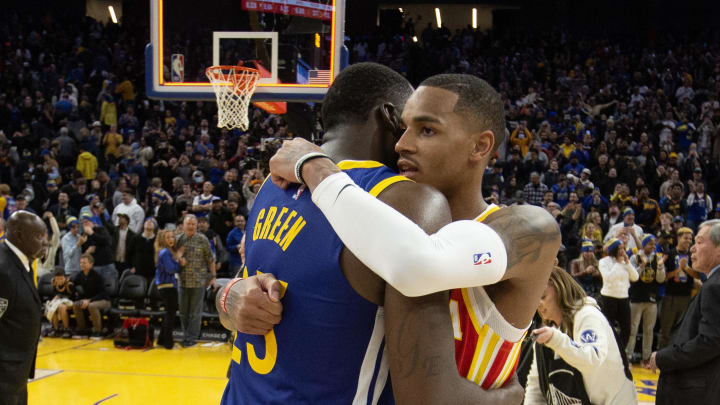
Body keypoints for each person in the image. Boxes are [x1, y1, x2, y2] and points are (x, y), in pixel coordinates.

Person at [218, 65, 527, 403]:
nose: (406, 142)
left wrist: (225, 293)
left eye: (425, 129)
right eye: (408, 125)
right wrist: (506, 399)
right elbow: (427, 396)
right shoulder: (406, 199)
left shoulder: (273, 183)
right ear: (390, 117)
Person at [524, 267, 637, 404]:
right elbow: (536, 385)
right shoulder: (548, 333)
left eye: (542, 296)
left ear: (560, 289)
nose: (539, 304)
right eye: (536, 299)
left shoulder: (587, 315)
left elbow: (592, 359)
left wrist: (555, 339)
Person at [648, 220, 720, 404]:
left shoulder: (714, 287)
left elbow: (709, 341)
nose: (693, 248)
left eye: (699, 241)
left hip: (695, 392)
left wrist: (662, 357)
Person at [0, 211, 49, 405]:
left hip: (15, 370)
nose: (44, 242)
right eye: (38, 236)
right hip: (4, 373)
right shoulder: (3, 270)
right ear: (19, 235)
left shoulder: (22, 261)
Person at [176, 214, 216, 348]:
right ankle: (185, 335)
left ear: (196, 226)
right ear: (184, 225)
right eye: (189, 224)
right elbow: (172, 258)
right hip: (182, 281)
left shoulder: (203, 239)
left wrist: (213, 276)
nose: (191, 226)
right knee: (183, 312)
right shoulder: (178, 239)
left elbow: (210, 259)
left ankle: (191, 338)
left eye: (193, 224)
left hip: (199, 282)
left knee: (195, 313)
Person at [626, 234, 665, 366]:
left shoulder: (658, 258)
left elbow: (660, 279)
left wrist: (659, 268)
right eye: (650, 244)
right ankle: (628, 357)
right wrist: (642, 266)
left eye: (654, 244)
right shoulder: (634, 257)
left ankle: (646, 358)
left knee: (649, 330)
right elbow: (632, 277)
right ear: (644, 244)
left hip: (652, 298)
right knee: (633, 329)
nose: (653, 246)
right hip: (636, 297)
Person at [659, 227, 698, 348]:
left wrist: (686, 268)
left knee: (681, 330)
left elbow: (697, 275)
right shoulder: (670, 254)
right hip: (670, 296)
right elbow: (664, 278)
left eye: (690, 238)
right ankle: (661, 356)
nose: (688, 241)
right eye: (685, 238)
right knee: (666, 329)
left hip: (686, 297)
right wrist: (679, 270)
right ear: (678, 238)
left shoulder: (693, 256)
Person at [598, 238, 639, 349]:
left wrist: (628, 263)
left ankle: (621, 351)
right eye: (619, 248)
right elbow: (608, 278)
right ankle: (607, 350)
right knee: (608, 327)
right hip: (609, 298)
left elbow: (635, 277)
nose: (622, 250)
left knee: (626, 328)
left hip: (623, 298)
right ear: (613, 249)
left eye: (623, 248)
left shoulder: (625, 261)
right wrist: (618, 263)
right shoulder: (604, 262)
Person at [154, 229, 185, 349]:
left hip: (165, 286)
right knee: (170, 315)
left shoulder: (165, 252)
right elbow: (171, 269)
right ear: (163, 240)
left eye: (172, 237)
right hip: (167, 286)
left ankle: (162, 340)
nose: (171, 239)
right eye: (168, 237)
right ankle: (168, 343)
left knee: (169, 313)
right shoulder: (165, 253)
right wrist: (180, 262)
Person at [72, 254, 111, 339]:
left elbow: (103, 293)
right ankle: (82, 330)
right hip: (89, 300)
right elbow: (73, 286)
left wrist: (89, 300)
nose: (82, 264)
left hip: (103, 300)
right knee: (76, 304)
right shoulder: (79, 275)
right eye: (81, 263)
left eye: (84, 263)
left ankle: (98, 331)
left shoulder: (97, 276)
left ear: (91, 264)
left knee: (92, 305)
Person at [45, 266, 74, 338]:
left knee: (61, 307)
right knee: (53, 307)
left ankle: (66, 329)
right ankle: (56, 328)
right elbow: (54, 295)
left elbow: (73, 296)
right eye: (57, 279)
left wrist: (61, 297)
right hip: (59, 302)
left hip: (70, 302)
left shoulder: (69, 284)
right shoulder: (54, 284)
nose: (59, 281)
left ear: (65, 277)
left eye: (61, 278)